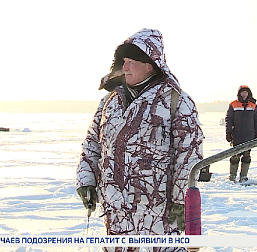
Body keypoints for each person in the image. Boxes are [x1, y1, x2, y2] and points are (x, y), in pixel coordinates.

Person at [76, 28, 205, 252]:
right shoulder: (110, 101)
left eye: (131, 61)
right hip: (115, 214)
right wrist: (86, 180)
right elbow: (92, 144)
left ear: (150, 65)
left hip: (158, 217)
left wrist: (180, 202)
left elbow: (189, 156)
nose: (124, 67)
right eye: (123, 61)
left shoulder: (177, 102)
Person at [225, 85, 257, 182]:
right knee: (235, 156)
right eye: (242, 92)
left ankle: (243, 176)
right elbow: (229, 119)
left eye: (246, 92)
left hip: (249, 135)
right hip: (236, 135)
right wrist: (228, 132)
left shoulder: (253, 105)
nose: (244, 94)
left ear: (249, 94)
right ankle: (232, 176)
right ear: (239, 94)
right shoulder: (233, 105)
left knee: (246, 156)